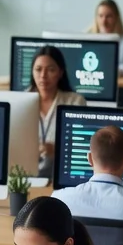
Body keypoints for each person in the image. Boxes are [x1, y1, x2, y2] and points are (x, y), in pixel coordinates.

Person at [28, 46, 87, 178]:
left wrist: (57, 149)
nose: (43, 76)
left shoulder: (75, 101)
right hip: (26, 175)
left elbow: (82, 146)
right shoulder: (21, 99)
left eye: (51, 70)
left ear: (60, 72)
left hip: (60, 174)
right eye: (38, 69)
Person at [87, 0, 123, 74]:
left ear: (116, 18)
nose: (104, 21)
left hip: (119, 83)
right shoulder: (88, 36)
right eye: (100, 16)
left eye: (108, 16)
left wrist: (107, 70)